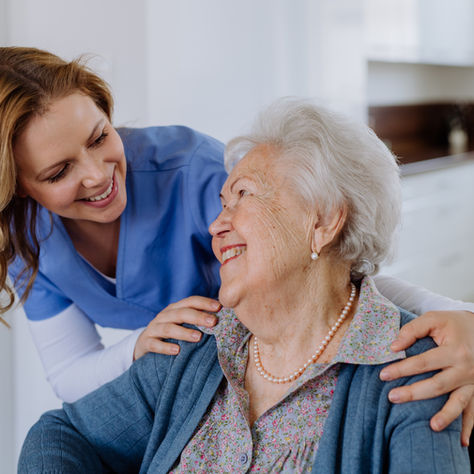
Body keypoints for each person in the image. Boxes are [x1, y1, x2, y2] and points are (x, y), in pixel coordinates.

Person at [1, 47, 473, 444]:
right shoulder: (28, 239)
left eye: (100, 136)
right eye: (58, 172)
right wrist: (138, 348)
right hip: (183, 386)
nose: (97, 174)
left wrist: (459, 317)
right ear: (18, 185)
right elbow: (69, 374)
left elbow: (329, 270)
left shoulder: (194, 173)